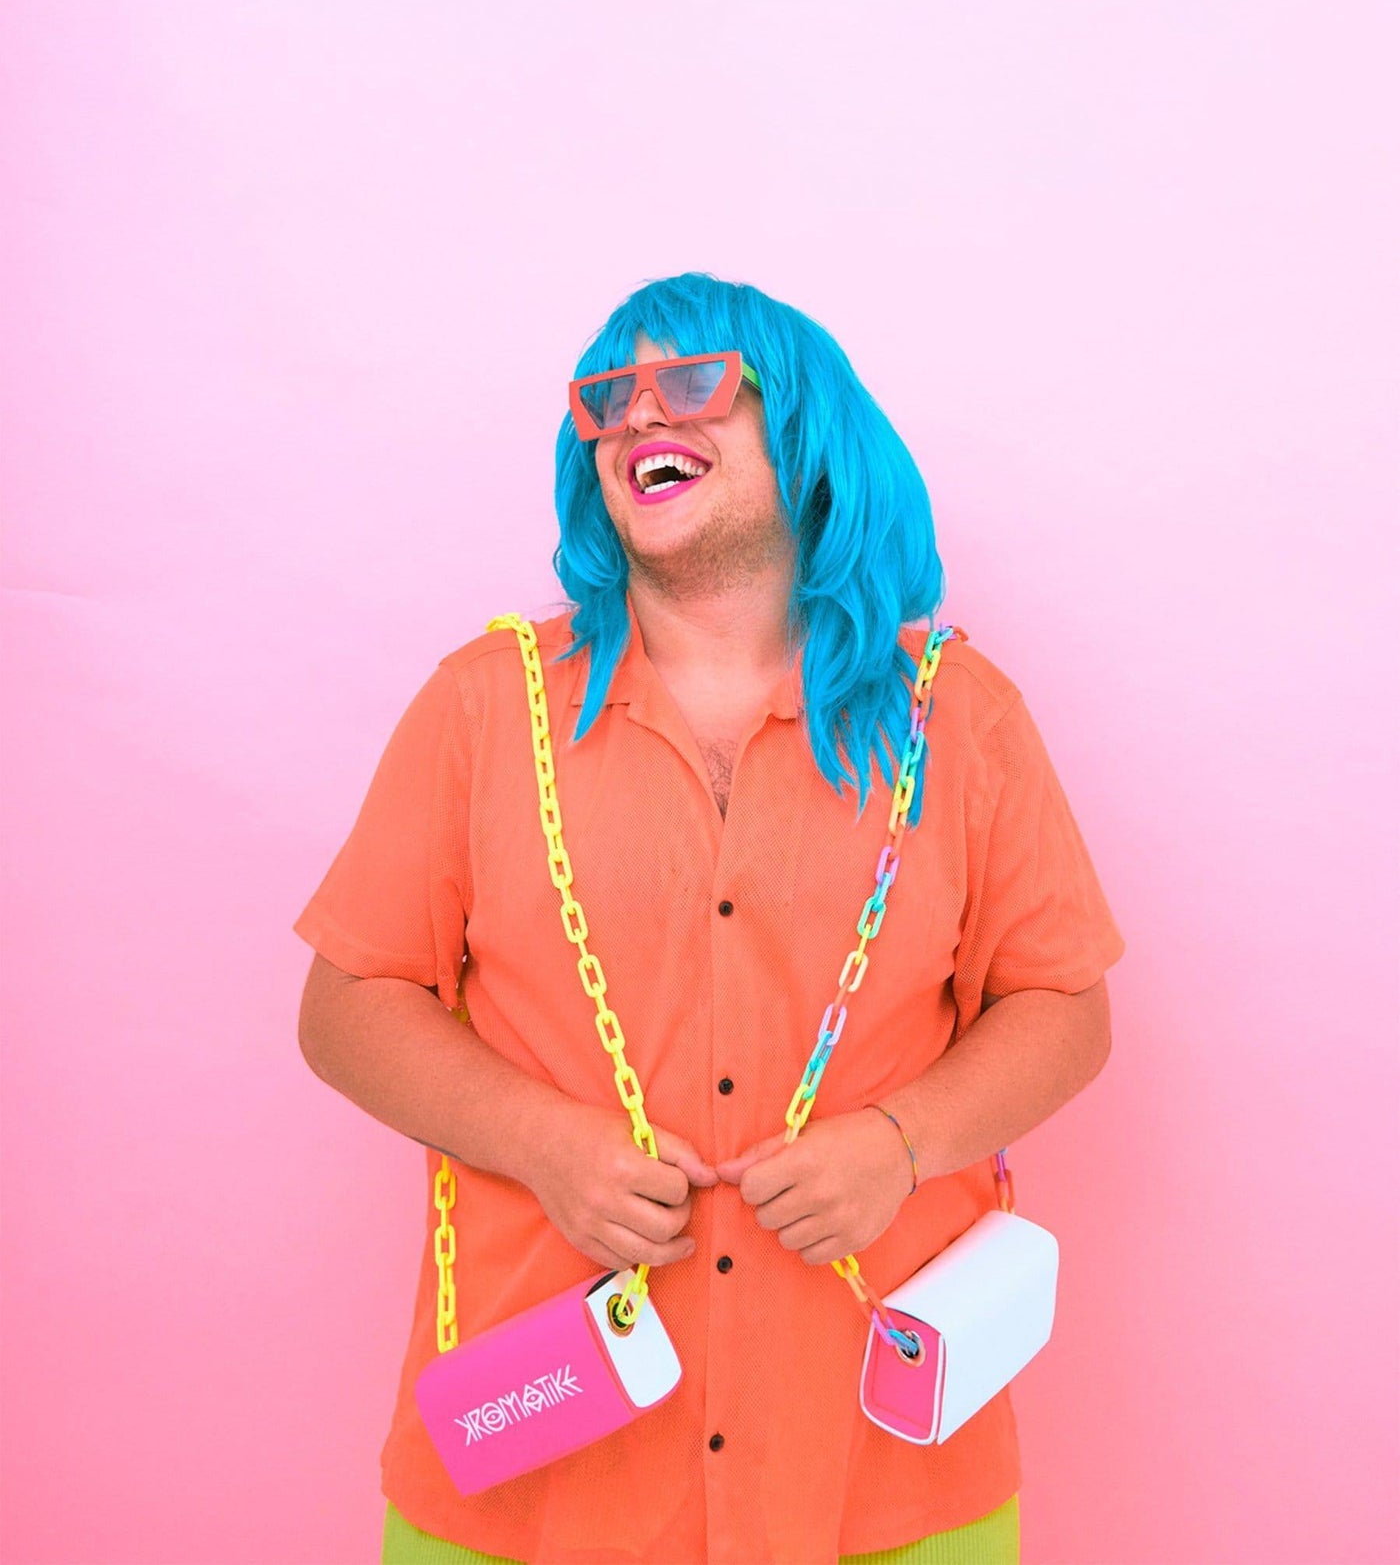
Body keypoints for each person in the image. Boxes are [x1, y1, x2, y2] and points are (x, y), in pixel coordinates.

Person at [294, 272, 1125, 1565]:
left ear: (804, 427)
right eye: (606, 398)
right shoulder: (481, 706)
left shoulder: (962, 717)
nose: (637, 416)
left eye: (688, 383)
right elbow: (348, 1004)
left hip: (887, 1474)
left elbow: (1064, 1004)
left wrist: (901, 1145)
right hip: (534, 1476)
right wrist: (541, 1143)